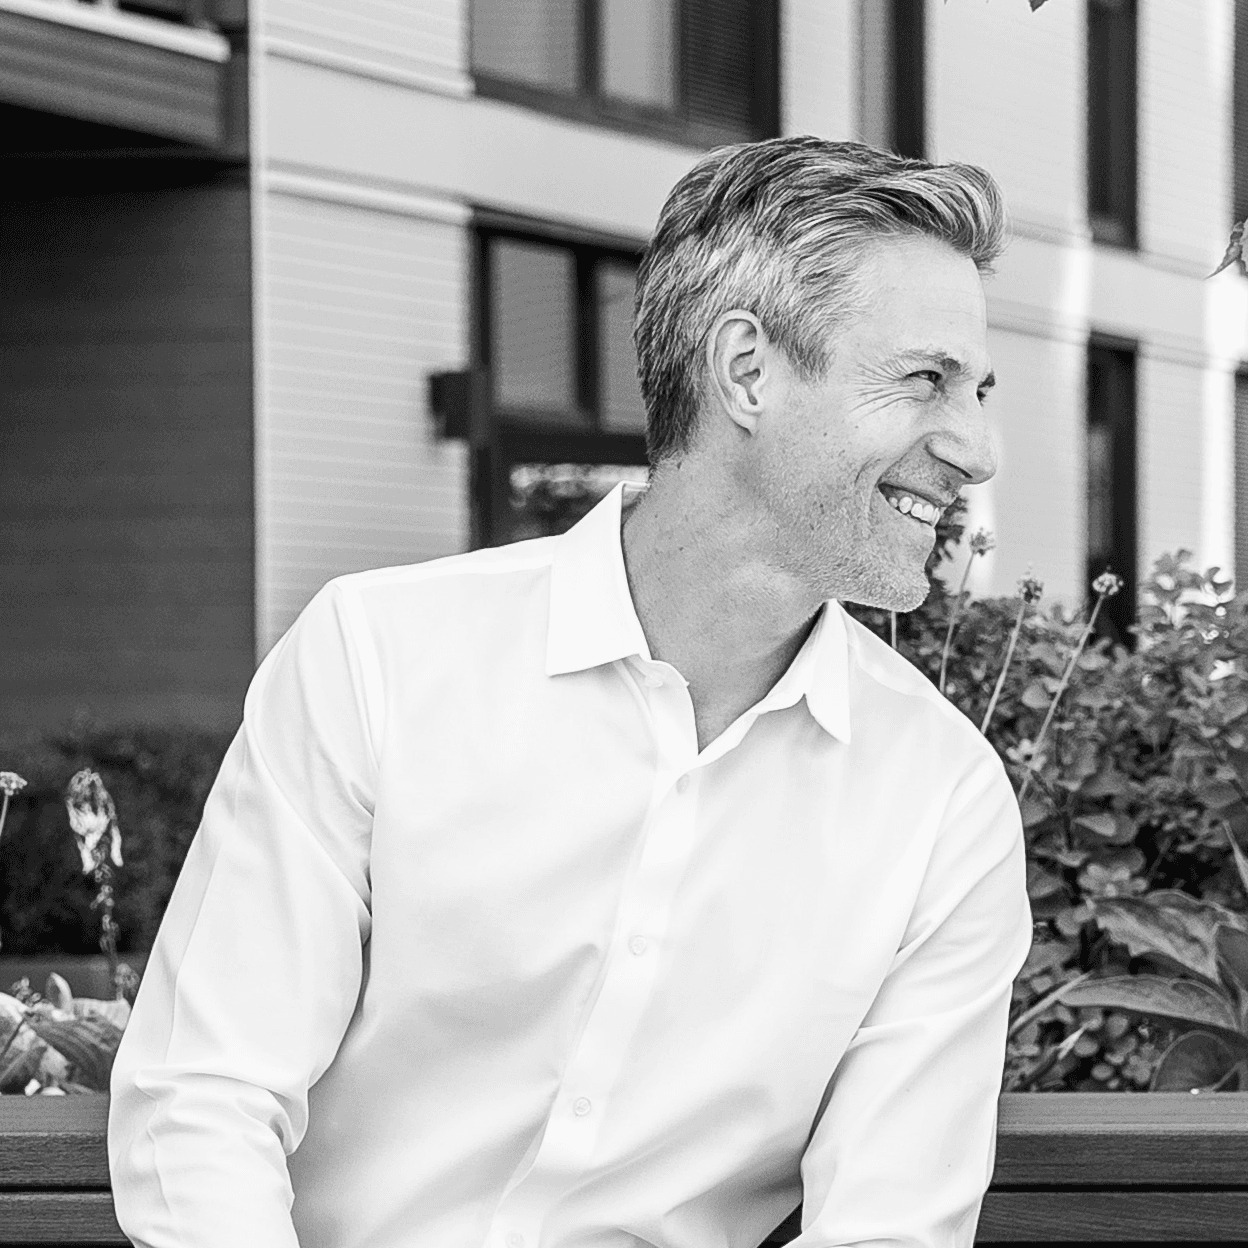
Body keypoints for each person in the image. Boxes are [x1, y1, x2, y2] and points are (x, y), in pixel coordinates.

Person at [109, 136, 1031, 1248]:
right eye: (925, 380)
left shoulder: (942, 800)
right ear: (747, 372)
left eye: (977, 390)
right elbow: (204, 1096)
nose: (976, 449)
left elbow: (890, 1229)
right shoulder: (378, 658)